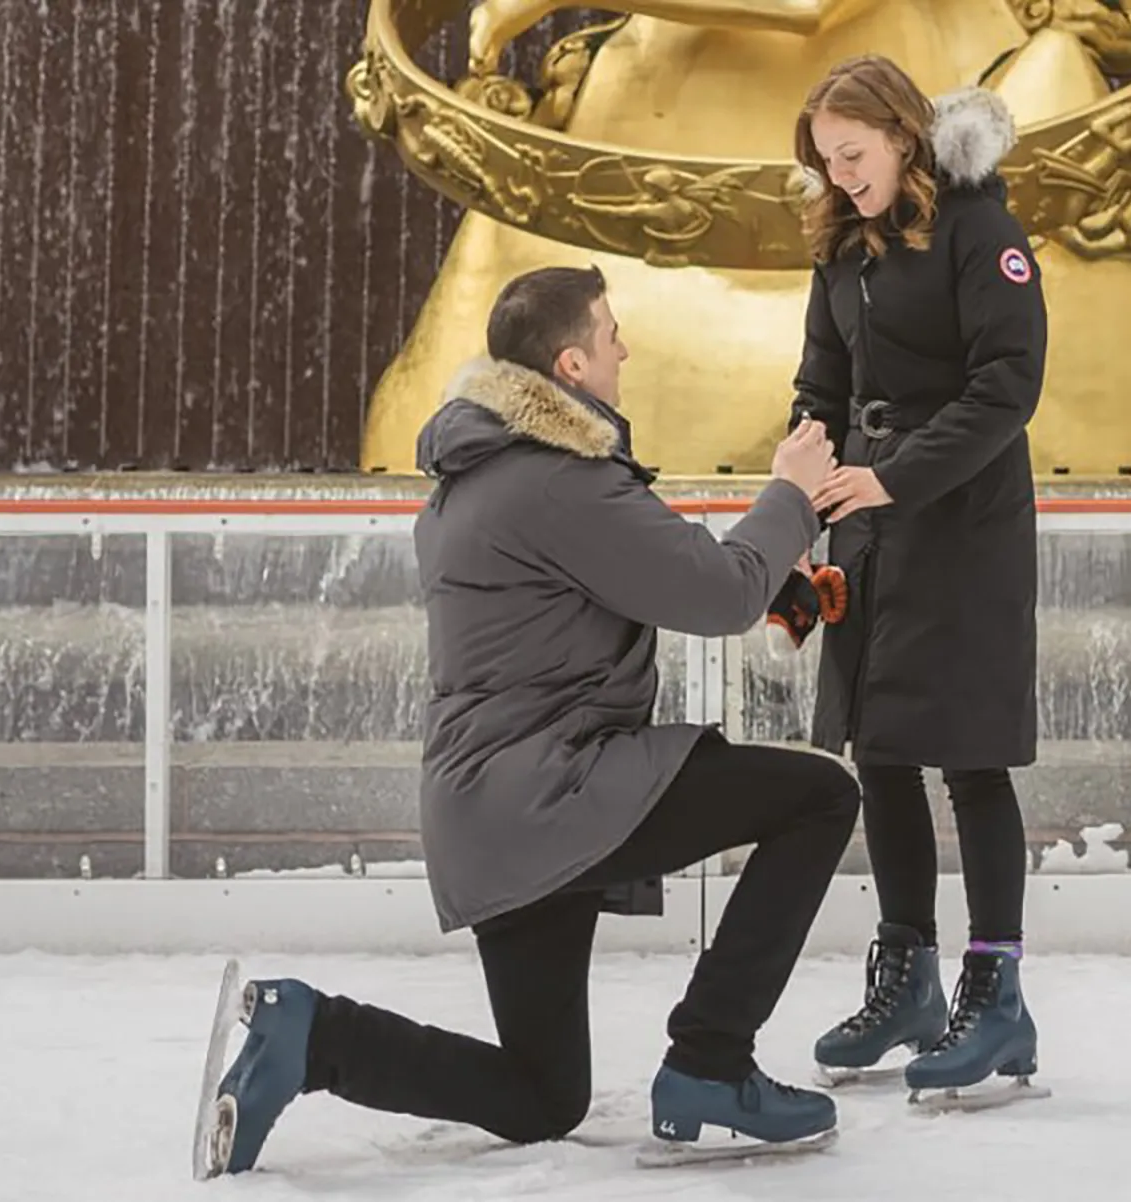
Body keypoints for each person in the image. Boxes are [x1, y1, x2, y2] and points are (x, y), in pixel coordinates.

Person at [194, 264, 863, 1178]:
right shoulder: (555, 482)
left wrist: (771, 573)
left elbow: (623, 584)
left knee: (543, 1095)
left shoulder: (487, 477)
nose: (624, 346)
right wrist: (789, 493)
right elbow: (714, 593)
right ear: (572, 364)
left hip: (498, 810)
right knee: (819, 795)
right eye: (610, 332)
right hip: (549, 794)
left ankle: (311, 1036)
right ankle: (711, 1060)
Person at [786, 55, 1049, 1100]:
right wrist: (801, 502)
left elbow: (1008, 388)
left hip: (963, 522)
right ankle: (908, 979)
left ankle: (999, 991)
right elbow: (819, 382)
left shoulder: (980, 227)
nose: (841, 176)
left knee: (971, 757)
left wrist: (892, 476)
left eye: (853, 155)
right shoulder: (842, 242)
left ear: (902, 136)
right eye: (825, 161)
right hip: (864, 521)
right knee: (878, 749)